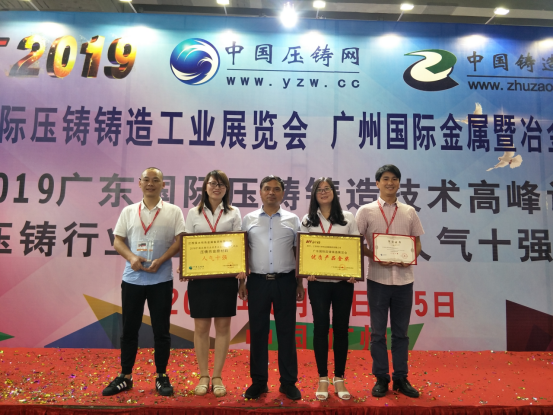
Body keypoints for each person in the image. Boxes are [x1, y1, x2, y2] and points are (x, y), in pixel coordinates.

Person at [102, 167, 185, 397]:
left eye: (155, 180)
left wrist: (162, 260)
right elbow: (118, 241)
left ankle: (161, 375)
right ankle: (125, 375)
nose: (150, 183)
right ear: (139, 183)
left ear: (163, 185)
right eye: (146, 180)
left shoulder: (174, 211)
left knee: (162, 330)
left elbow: (180, 241)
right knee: (129, 329)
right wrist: (131, 258)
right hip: (133, 279)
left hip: (161, 279)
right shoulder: (129, 211)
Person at [355, 164, 424, 399]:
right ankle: (381, 377)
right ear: (377, 183)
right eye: (385, 179)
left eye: (394, 179)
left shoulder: (409, 211)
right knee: (377, 333)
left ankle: (401, 378)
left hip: (404, 280)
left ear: (399, 183)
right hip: (378, 279)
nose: (390, 183)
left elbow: (417, 243)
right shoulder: (365, 211)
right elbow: (356, 243)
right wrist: (374, 255)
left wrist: (410, 257)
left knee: (401, 333)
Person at [181, 170, 246, 397]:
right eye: (212, 183)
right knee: (200, 328)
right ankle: (203, 375)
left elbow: (239, 245)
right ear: (205, 187)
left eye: (221, 185)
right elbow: (188, 243)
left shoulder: (233, 213)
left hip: (226, 279)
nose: (216, 188)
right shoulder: (193, 213)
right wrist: (186, 266)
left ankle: (217, 376)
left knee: (223, 327)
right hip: (200, 278)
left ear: (226, 189)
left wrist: (242, 277)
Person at [239, 175, 303, 401]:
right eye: (267, 188)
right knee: (258, 332)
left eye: (276, 189)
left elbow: (298, 253)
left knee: (286, 332)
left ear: (283, 193)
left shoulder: (293, 219)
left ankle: (288, 383)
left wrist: (299, 283)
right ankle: (259, 382)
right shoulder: (248, 219)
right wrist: (241, 282)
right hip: (257, 281)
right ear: (260, 192)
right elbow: (242, 251)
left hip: (286, 281)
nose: (271, 193)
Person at [300, 177, 359, 401]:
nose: (323, 192)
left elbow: (355, 247)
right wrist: (307, 270)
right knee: (320, 329)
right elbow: (303, 251)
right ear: (314, 195)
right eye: (319, 190)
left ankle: (339, 377)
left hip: (343, 283)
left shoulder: (348, 217)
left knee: (341, 329)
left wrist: (354, 271)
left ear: (334, 192)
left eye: (327, 189)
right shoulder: (308, 220)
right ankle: (323, 378)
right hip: (318, 284)